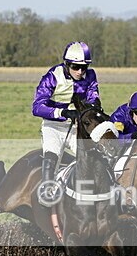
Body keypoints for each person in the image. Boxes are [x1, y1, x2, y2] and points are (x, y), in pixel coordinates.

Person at [32, 41, 101, 205]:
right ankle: (47, 192)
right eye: (76, 67)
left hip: (77, 128)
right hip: (54, 126)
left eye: (84, 68)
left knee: (96, 157)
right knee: (52, 156)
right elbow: (36, 107)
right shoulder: (52, 76)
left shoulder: (90, 75)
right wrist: (62, 112)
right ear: (67, 64)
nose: (80, 71)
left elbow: (93, 97)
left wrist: (92, 106)